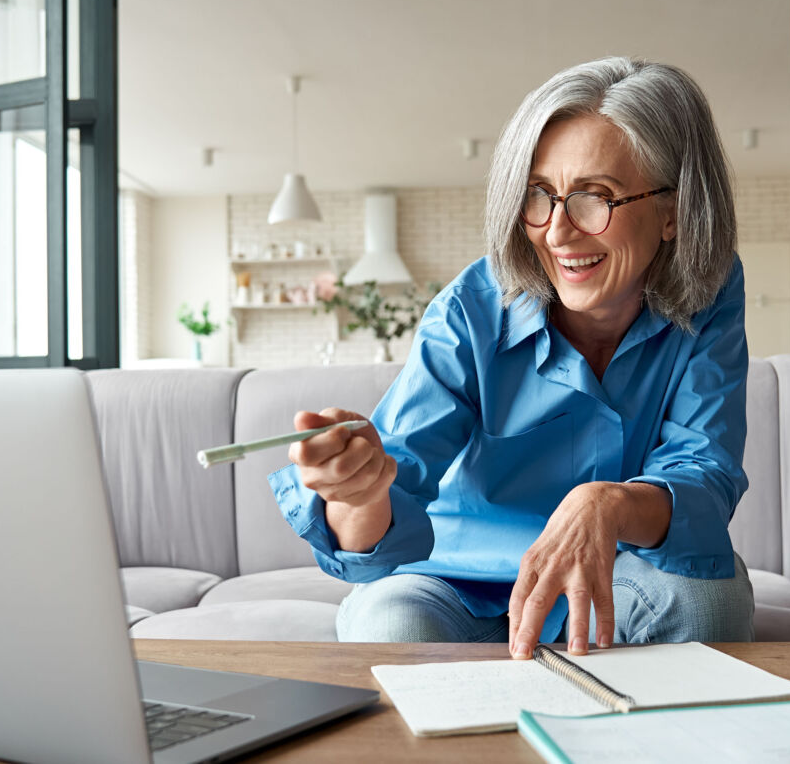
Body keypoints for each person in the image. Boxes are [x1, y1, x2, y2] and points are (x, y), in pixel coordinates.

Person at [268, 56, 752, 660]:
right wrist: (358, 494)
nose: (556, 232)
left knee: (712, 599)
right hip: (450, 580)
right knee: (389, 624)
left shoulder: (709, 293)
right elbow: (392, 498)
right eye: (539, 197)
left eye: (594, 198)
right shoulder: (469, 310)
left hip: (617, 574)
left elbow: (703, 472)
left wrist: (608, 503)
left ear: (674, 212)